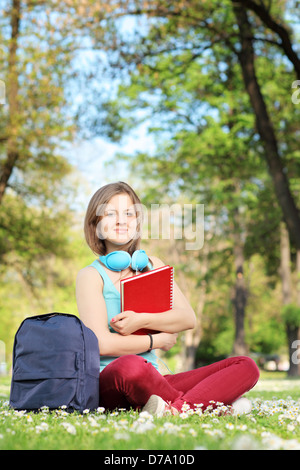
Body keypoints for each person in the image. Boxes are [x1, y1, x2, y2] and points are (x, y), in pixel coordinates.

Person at [76, 181, 259, 416]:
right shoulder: (90, 275)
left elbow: (187, 318)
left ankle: (177, 409)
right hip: (115, 380)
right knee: (130, 365)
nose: (122, 220)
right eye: (110, 213)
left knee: (245, 366)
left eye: (129, 213)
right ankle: (209, 405)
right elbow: (101, 344)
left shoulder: (152, 265)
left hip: (158, 381)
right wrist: (156, 341)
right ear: (96, 224)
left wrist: (141, 320)